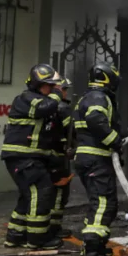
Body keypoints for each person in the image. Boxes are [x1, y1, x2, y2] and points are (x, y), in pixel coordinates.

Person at [1, 64, 64, 250]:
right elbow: (43, 108)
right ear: (37, 84)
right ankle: (37, 240)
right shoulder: (26, 98)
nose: (52, 89)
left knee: (28, 196)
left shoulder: (38, 100)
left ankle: (15, 236)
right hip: (23, 157)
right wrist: (58, 94)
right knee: (42, 192)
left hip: (27, 158)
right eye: (49, 85)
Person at [73, 62, 124, 256]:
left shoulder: (87, 97)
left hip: (90, 157)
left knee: (102, 203)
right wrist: (115, 141)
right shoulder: (98, 97)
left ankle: (96, 248)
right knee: (103, 204)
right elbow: (95, 119)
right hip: (96, 158)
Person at [48, 77, 74, 239]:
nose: (65, 92)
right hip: (58, 157)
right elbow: (72, 131)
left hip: (46, 156)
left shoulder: (43, 106)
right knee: (59, 194)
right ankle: (53, 228)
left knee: (49, 192)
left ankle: (50, 227)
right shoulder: (62, 108)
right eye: (64, 89)